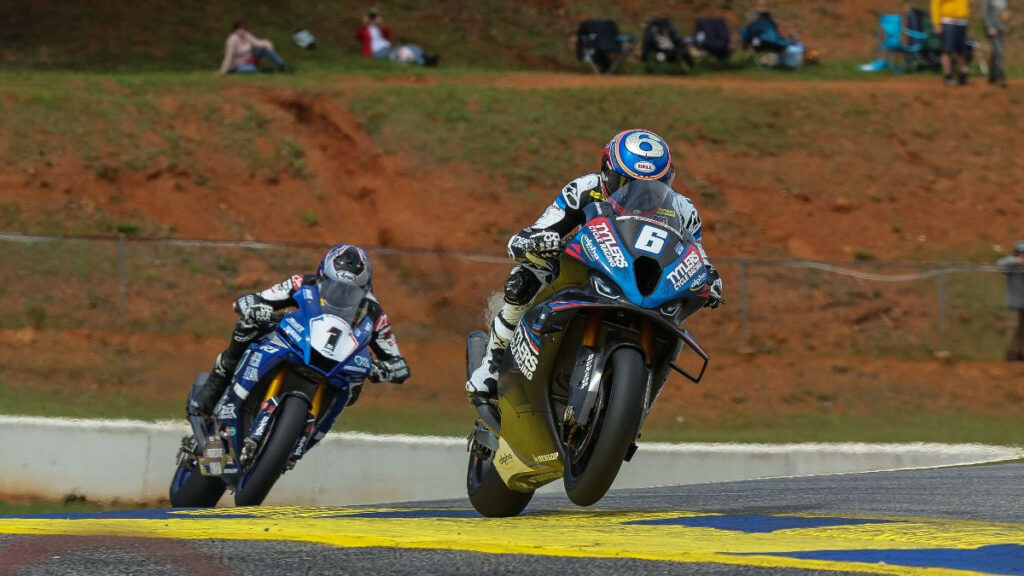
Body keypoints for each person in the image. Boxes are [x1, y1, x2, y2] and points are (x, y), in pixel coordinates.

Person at [465, 129, 724, 401]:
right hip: (590, 269)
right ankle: (494, 362)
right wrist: (534, 241)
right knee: (525, 277)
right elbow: (535, 231)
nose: (640, 195)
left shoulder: (684, 210)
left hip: (643, 282)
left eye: (653, 187)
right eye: (627, 183)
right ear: (607, 172)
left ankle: (636, 405)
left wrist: (710, 278)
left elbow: (697, 255)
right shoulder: (583, 189)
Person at [189, 244, 410, 417]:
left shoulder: (375, 314)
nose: (340, 295)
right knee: (249, 325)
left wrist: (384, 370)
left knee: (354, 384)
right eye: (333, 286)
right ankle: (216, 386)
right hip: (298, 341)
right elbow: (258, 299)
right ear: (321, 277)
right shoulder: (302, 283)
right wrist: (253, 306)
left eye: (349, 292)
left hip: (338, 364)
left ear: (365, 290)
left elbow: (399, 365)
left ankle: (308, 433)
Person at [354, 9, 440, 66]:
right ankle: (424, 62)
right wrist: (364, 24)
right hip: (377, 52)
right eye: (371, 18)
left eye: (374, 18)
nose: (372, 20)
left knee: (412, 46)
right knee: (403, 52)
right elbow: (357, 36)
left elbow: (387, 33)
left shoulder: (379, 28)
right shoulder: (364, 30)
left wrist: (380, 24)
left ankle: (427, 57)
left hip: (388, 48)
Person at [219, 21, 294, 75]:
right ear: (235, 30)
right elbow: (228, 56)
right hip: (237, 64)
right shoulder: (232, 40)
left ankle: (282, 66)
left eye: (243, 29)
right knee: (250, 69)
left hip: (249, 58)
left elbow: (257, 42)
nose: (242, 31)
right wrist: (223, 71)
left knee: (263, 49)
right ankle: (262, 70)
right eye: (239, 29)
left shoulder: (247, 35)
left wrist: (267, 43)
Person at [931, 0, 971, 85]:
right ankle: (948, 76)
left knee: (962, 51)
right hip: (948, 21)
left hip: (962, 21)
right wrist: (936, 23)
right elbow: (935, 4)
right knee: (947, 50)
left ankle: (962, 76)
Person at [996, 241, 1024, 361]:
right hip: (1014, 304)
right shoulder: (1011, 265)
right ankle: (1010, 355)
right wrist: (1014, 261)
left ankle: (1020, 354)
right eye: (1021, 253)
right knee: (1013, 329)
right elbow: (999, 265)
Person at [982, 0, 1010, 86]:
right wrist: (989, 27)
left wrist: (1006, 21)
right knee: (998, 52)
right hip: (992, 29)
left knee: (995, 52)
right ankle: (999, 76)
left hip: (1001, 28)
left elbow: (1005, 12)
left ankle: (992, 76)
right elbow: (984, 12)